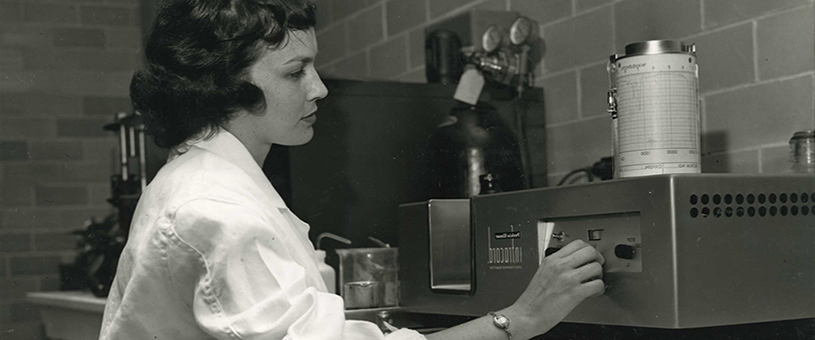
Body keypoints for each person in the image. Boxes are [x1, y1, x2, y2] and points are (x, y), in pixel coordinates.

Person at [99, 0, 606, 339]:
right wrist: (520, 318)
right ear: (226, 86)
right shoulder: (216, 209)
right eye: (296, 72)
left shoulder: (209, 181)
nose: (318, 89)